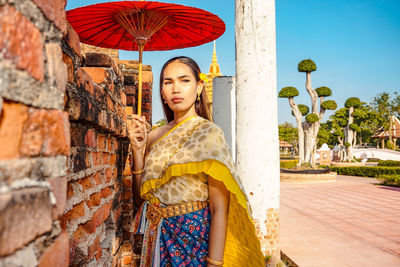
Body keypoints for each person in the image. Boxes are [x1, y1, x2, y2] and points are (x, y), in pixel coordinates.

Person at [127, 56, 265, 267]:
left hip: (193, 241)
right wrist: (138, 151)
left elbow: (219, 209)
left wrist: (214, 264)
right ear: (162, 92)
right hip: (155, 240)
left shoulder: (208, 133)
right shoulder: (153, 136)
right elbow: (141, 201)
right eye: (168, 82)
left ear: (199, 87)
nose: (176, 89)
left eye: (184, 80)